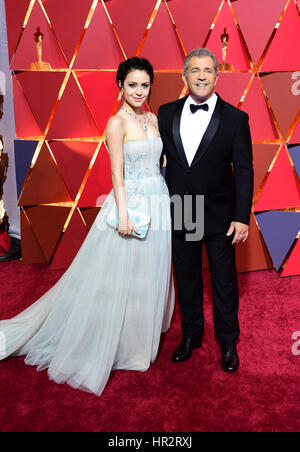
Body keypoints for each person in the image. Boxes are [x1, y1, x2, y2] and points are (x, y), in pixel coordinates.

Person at [0, 57, 174, 396]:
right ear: (120, 86)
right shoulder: (116, 123)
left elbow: (159, 160)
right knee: (120, 275)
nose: (139, 91)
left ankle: (139, 338)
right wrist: (123, 214)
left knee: (147, 274)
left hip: (159, 201)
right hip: (132, 205)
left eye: (144, 85)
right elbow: (116, 174)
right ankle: (118, 340)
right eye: (132, 85)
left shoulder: (153, 118)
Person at [158, 48, 253, 373]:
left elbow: (243, 170)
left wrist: (241, 216)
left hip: (220, 214)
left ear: (217, 76)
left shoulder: (236, 119)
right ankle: (191, 336)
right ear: (185, 76)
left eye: (207, 70)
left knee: (224, 282)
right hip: (183, 207)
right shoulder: (165, 113)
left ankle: (228, 342)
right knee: (186, 278)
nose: (201, 76)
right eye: (195, 70)